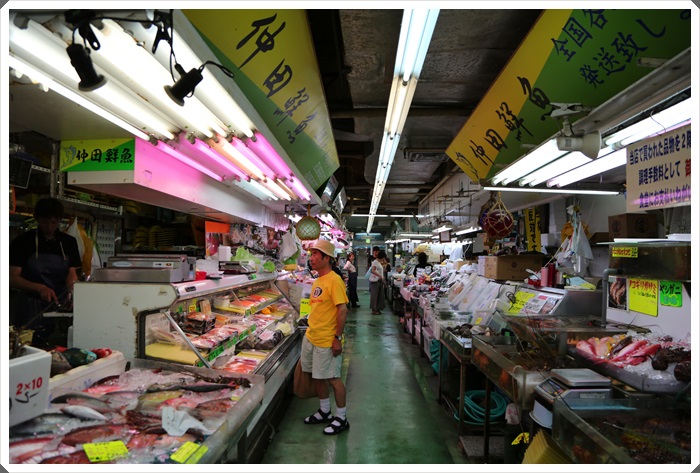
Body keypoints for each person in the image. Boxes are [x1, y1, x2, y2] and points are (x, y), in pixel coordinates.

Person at [9, 197, 82, 347]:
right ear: (36, 219)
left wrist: (72, 293)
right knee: (27, 347)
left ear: (59, 220)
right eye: (45, 222)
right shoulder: (23, 242)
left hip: (59, 305)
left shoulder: (69, 242)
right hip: (29, 307)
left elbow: (72, 273)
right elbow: (11, 277)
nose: (49, 227)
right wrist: (39, 288)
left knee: (60, 346)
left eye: (53, 222)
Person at [302, 239, 350, 435]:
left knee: (333, 379)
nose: (311, 258)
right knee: (318, 376)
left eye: (315, 254)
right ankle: (324, 411)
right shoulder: (318, 280)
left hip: (327, 339)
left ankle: (342, 418)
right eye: (311, 254)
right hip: (312, 336)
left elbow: (342, 310)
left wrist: (337, 337)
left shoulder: (334, 280)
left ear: (327, 258)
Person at [369, 250, 386, 315]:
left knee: (378, 295)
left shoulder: (378, 262)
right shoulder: (375, 262)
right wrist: (379, 276)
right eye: (383, 257)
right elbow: (372, 270)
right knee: (375, 296)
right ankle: (374, 309)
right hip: (375, 281)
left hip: (379, 281)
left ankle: (376, 308)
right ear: (382, 257)